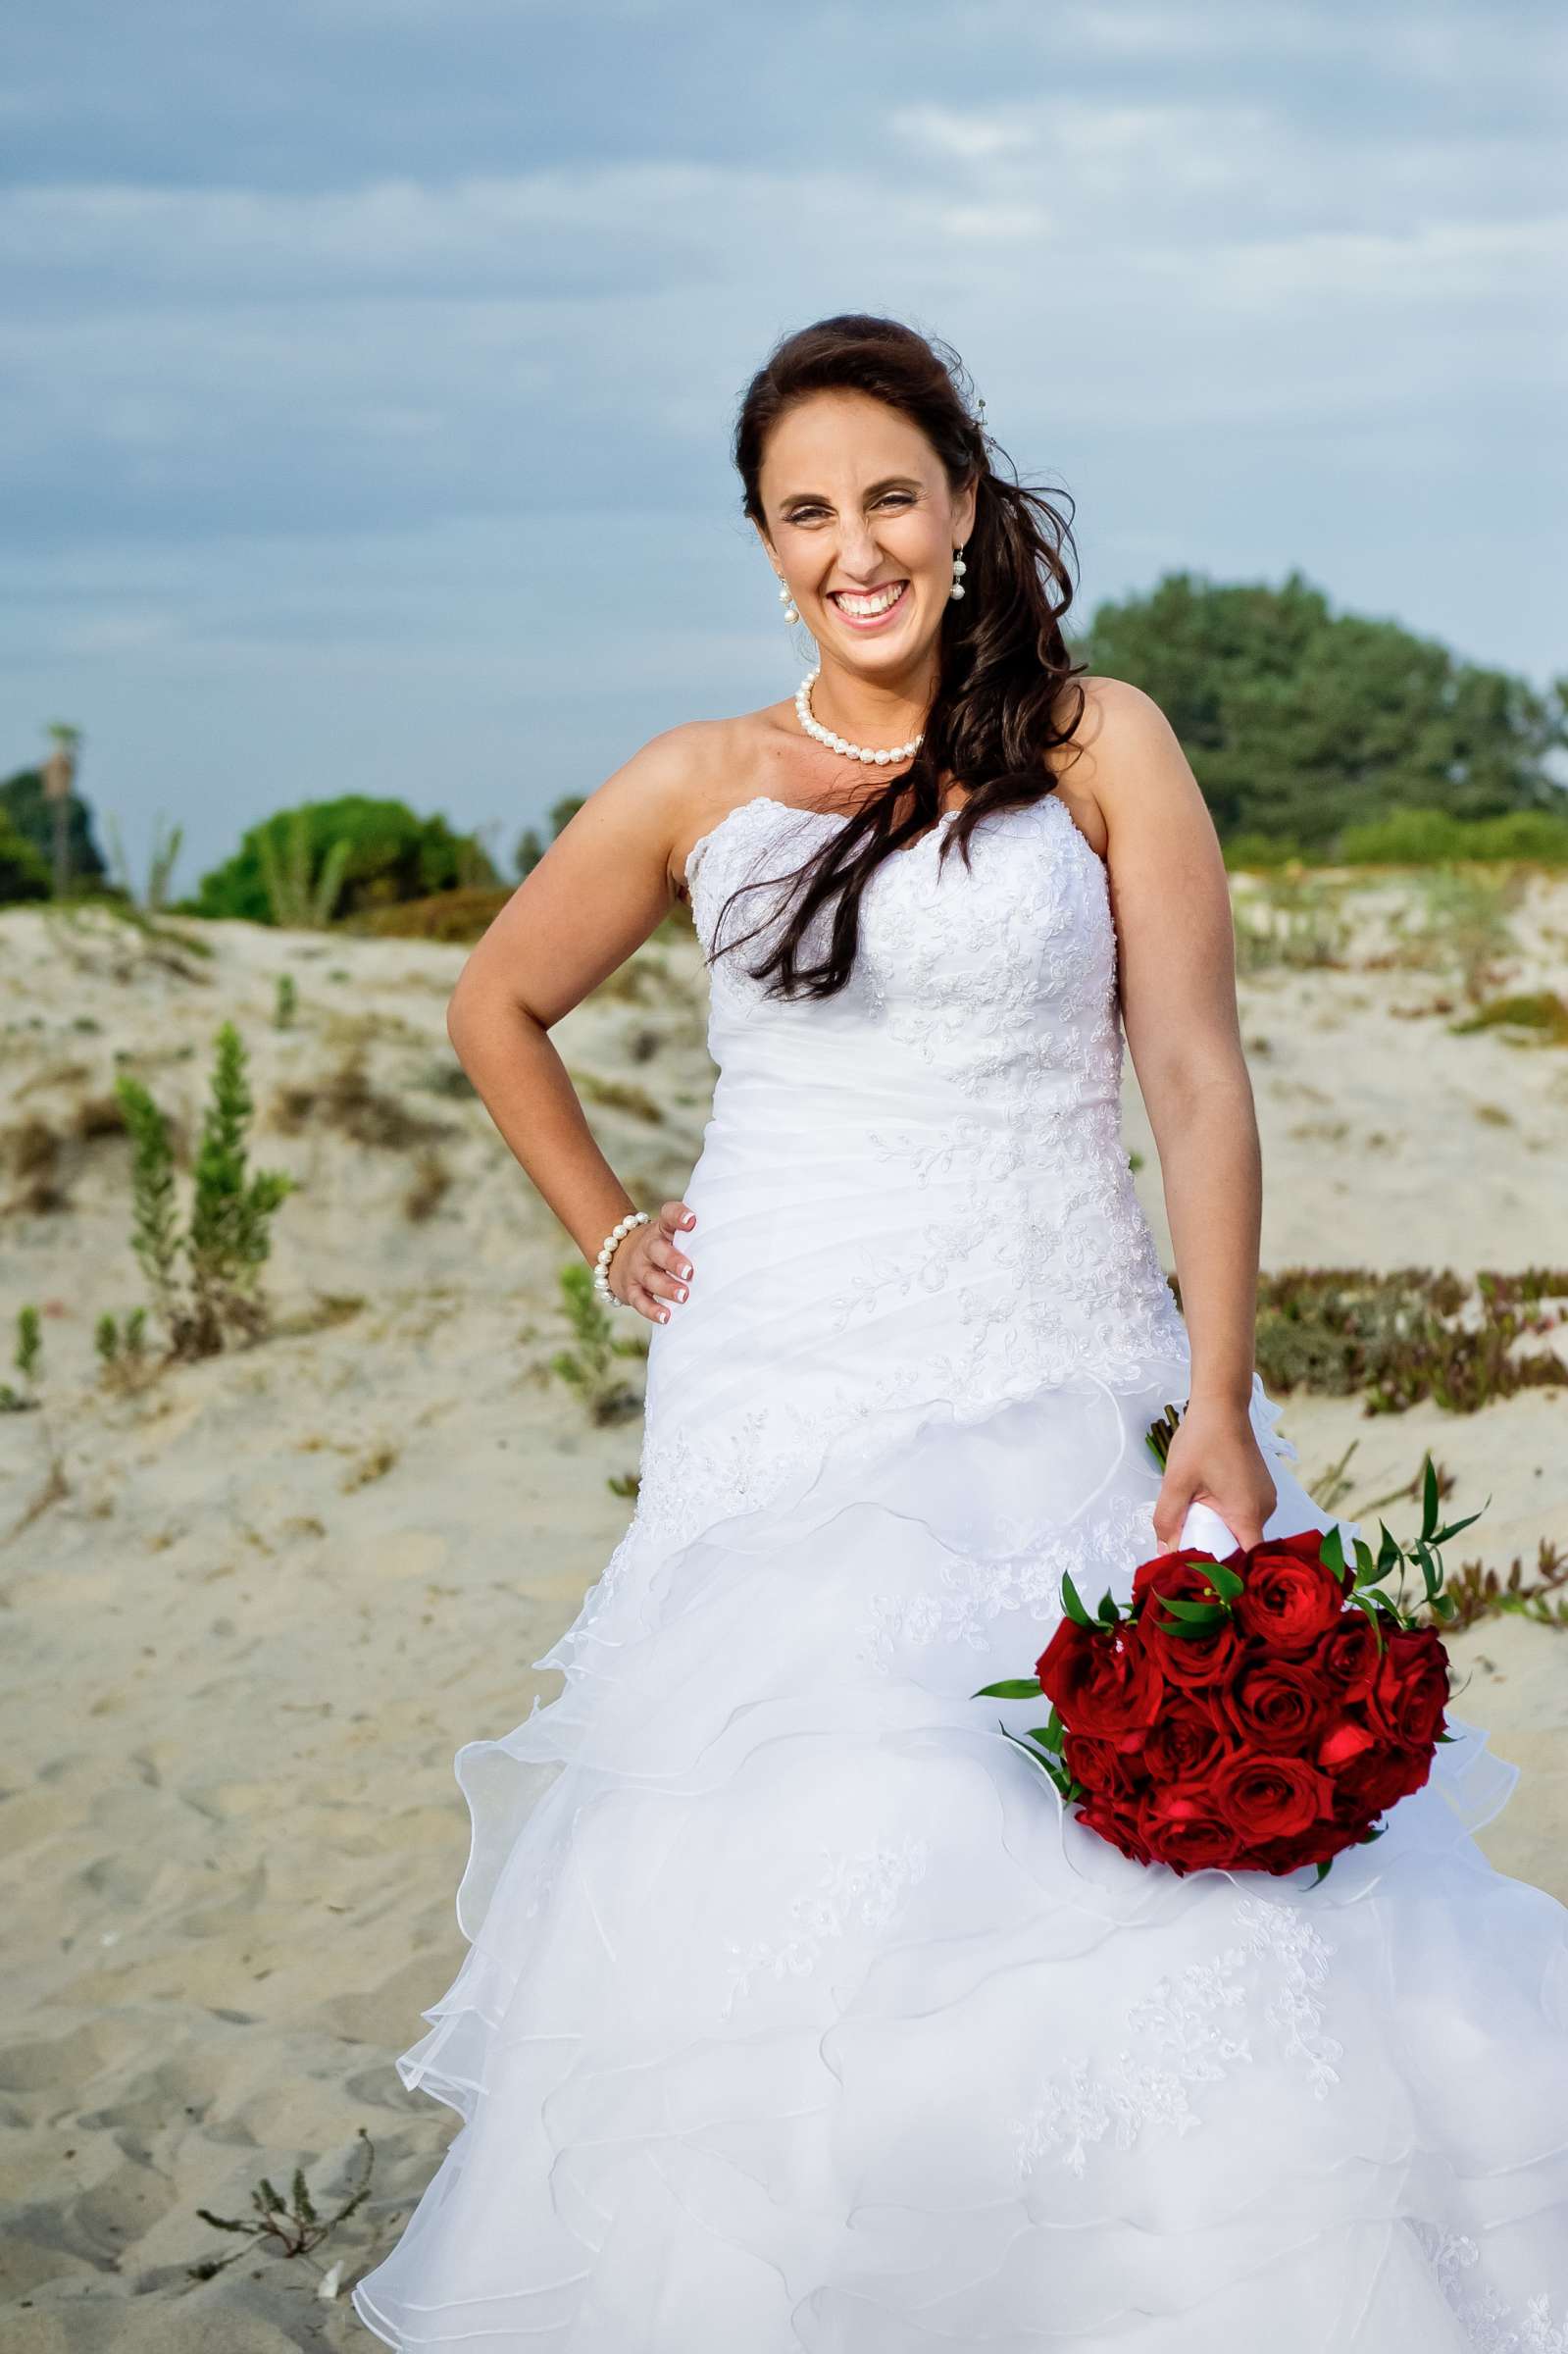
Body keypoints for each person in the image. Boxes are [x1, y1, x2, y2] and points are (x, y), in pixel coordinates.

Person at [352, 314, 1568, 2351]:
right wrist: (611, 1233)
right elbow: (495, 1005)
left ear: (965, 503)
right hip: (783, 1391)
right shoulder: (690, 780)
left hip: (1070, 1366)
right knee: (808, 1837)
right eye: (804, 512)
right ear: (761, 545)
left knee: (1142, 1855)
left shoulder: (1100, 740)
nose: (855, 547)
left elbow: (1189, 1076)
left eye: (888, 496)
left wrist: (1210, 1397)